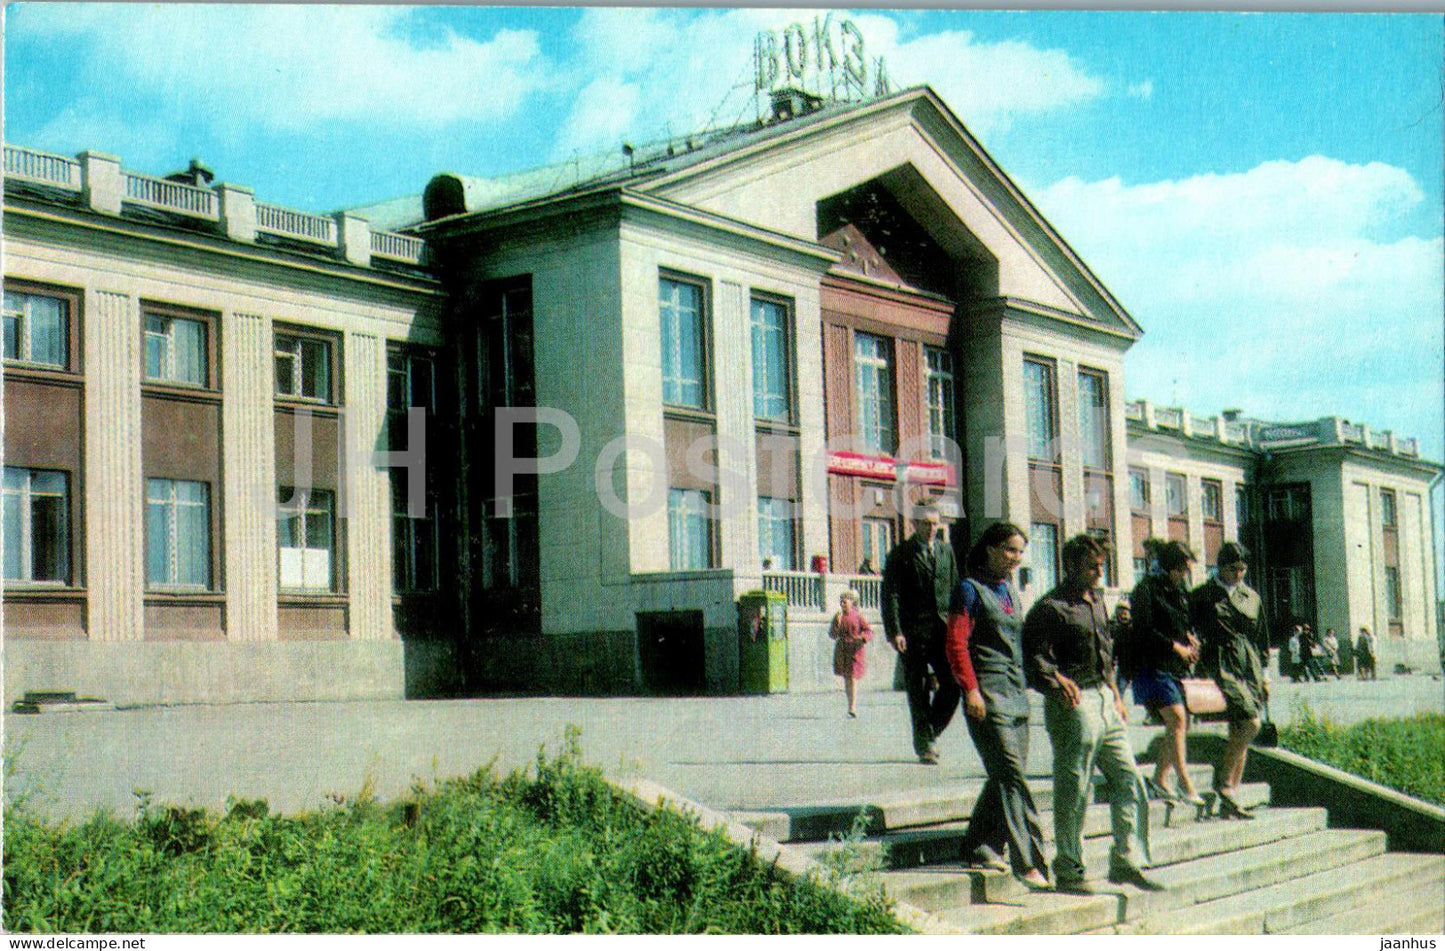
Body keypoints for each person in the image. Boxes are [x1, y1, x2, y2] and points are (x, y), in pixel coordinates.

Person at [1024, 534, 1162, 894]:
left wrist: (1114, 694)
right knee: (1075, 788)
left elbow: (1105, 654)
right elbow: (1033, 660)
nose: (1099, 572)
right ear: (1070, 565)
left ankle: (1126, 859)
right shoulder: (1050, 608)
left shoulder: (1098, 600)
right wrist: (1056, 680)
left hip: (1104, 699)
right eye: (1092, 566)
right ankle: (1069, 868)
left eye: (1101, 565)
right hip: (1073, 705)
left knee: (1129, 777)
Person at [943, 522, 1049, 889]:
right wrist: (970, 690)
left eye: (1020, 551)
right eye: (1009, 549)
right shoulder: (968, 590)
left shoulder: (1010, 591)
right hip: (987, 696)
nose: (1016, 558)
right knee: (1012, 776)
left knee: (1005, 774)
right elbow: (956, 644)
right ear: (990, 549)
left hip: (1016, 695)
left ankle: (978, 845)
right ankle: (1028, 861)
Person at [1191, 542, 1269, 820]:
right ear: (1220, 567)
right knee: (1250, 723)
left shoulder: (1251, 596)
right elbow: (1186, 627)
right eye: (1233, 568)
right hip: (1219, 663)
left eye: (1243, 569)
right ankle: (1225, 784)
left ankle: (1230, 796)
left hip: (1250, 665)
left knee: (1241, 726)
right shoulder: (1202, 595)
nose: (1239, 574)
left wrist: (1266, 676)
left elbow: (1261, 638)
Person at [882, 501, 960, 764]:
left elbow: (954, 589)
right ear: (914, 524)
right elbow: (891, 595)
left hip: (943, 631)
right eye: (926, 524)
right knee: (919, 689)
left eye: (935, 524)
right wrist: (895, 631)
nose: (931, 529)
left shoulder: (946, 551)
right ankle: (926, 745)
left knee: (953, 684)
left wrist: (959, 627)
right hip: (912, 634)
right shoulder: (901, 554)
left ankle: (928, 732)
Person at [1128, 541, 1206, 806]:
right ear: (1169, 567)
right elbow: (1145, 630)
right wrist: (1176, 647)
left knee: (1179, 723)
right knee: (1177, 717)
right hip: (1151, 666)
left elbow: (1181, 623)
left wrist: (1189, 640)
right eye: (1182, 569)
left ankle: (1160, 779)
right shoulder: (1146, 590)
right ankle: (1185, 783)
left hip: (1175, 667)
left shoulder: (1179, 591)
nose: (1185, 575)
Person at [830, 589, 873, 718]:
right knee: (847, 677)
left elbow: (868, 631)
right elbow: (832, 635)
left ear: (851, 602)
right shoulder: (838, 616)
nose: (842, 604)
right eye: (841, 601)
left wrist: (862, 638)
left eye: (845, 601)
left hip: (855, 649)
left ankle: (852, 707)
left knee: (852, 677)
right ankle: (850, 704)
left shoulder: (858, 616)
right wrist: (836, 625)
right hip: (842, 649)